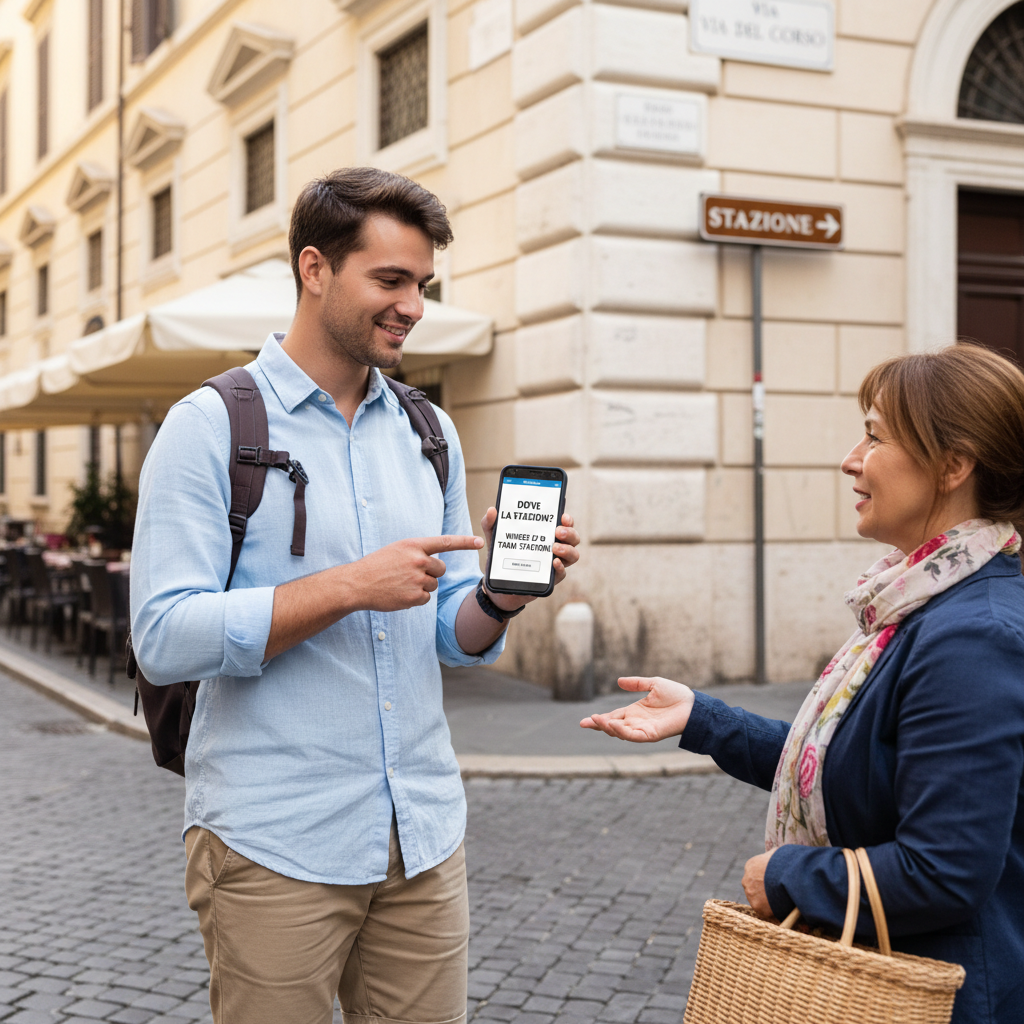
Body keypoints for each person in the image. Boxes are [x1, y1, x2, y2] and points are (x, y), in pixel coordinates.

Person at [130, 168, 580, 1024]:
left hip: (422, 836)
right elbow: (162, 634)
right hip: (273, 842)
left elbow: (452, 630)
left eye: (423, 285)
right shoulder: (211, 426)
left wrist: (504, 596)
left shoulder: (430, 431)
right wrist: (347, 588)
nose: (413, 304)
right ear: (314, 269)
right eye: (391, 280)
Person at [581, 343, 1024, 1024]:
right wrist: (703, 718)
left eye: (875, 437)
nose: (851, 458)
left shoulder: (971, 634)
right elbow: (855, 768)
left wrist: (785, 876)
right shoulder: (921, 603)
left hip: (944, 1000)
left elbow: (944, 872)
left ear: (954, 465)